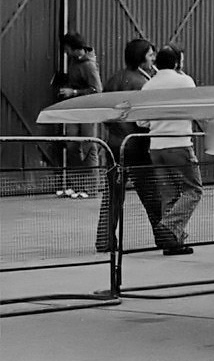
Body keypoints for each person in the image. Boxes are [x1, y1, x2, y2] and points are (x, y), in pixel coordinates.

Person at [94, 38, 160, 252]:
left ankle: (104, 240)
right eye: (150, 55)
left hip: (114, 144)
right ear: (141, 58)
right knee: (151, 195)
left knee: (112, 195)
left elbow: (104, 114)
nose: (153, 59)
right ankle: (164, 236)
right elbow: (146, 118)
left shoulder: (114, 80)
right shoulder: (143, 83)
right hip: (136, 146)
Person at [141, 46, 202, 255]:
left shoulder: (148, 86)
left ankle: (173, 243)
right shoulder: (185, 81)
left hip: (156, 146)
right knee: (194, 189)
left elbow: (142, 121)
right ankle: (168, 226)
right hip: (179, 143)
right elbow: (195, 110)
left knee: (168, 194)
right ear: (177, 62)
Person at [52, 32, 104, 195]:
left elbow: (97, 90)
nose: (65, 52)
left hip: (88, 110)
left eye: (67, 49)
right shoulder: (74, 60)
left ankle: (91, 187)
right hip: (75, 109)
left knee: (89, 146)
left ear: (73, 48)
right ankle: (77, 184)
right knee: (72, 143)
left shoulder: (89, 65)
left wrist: (73, 92)